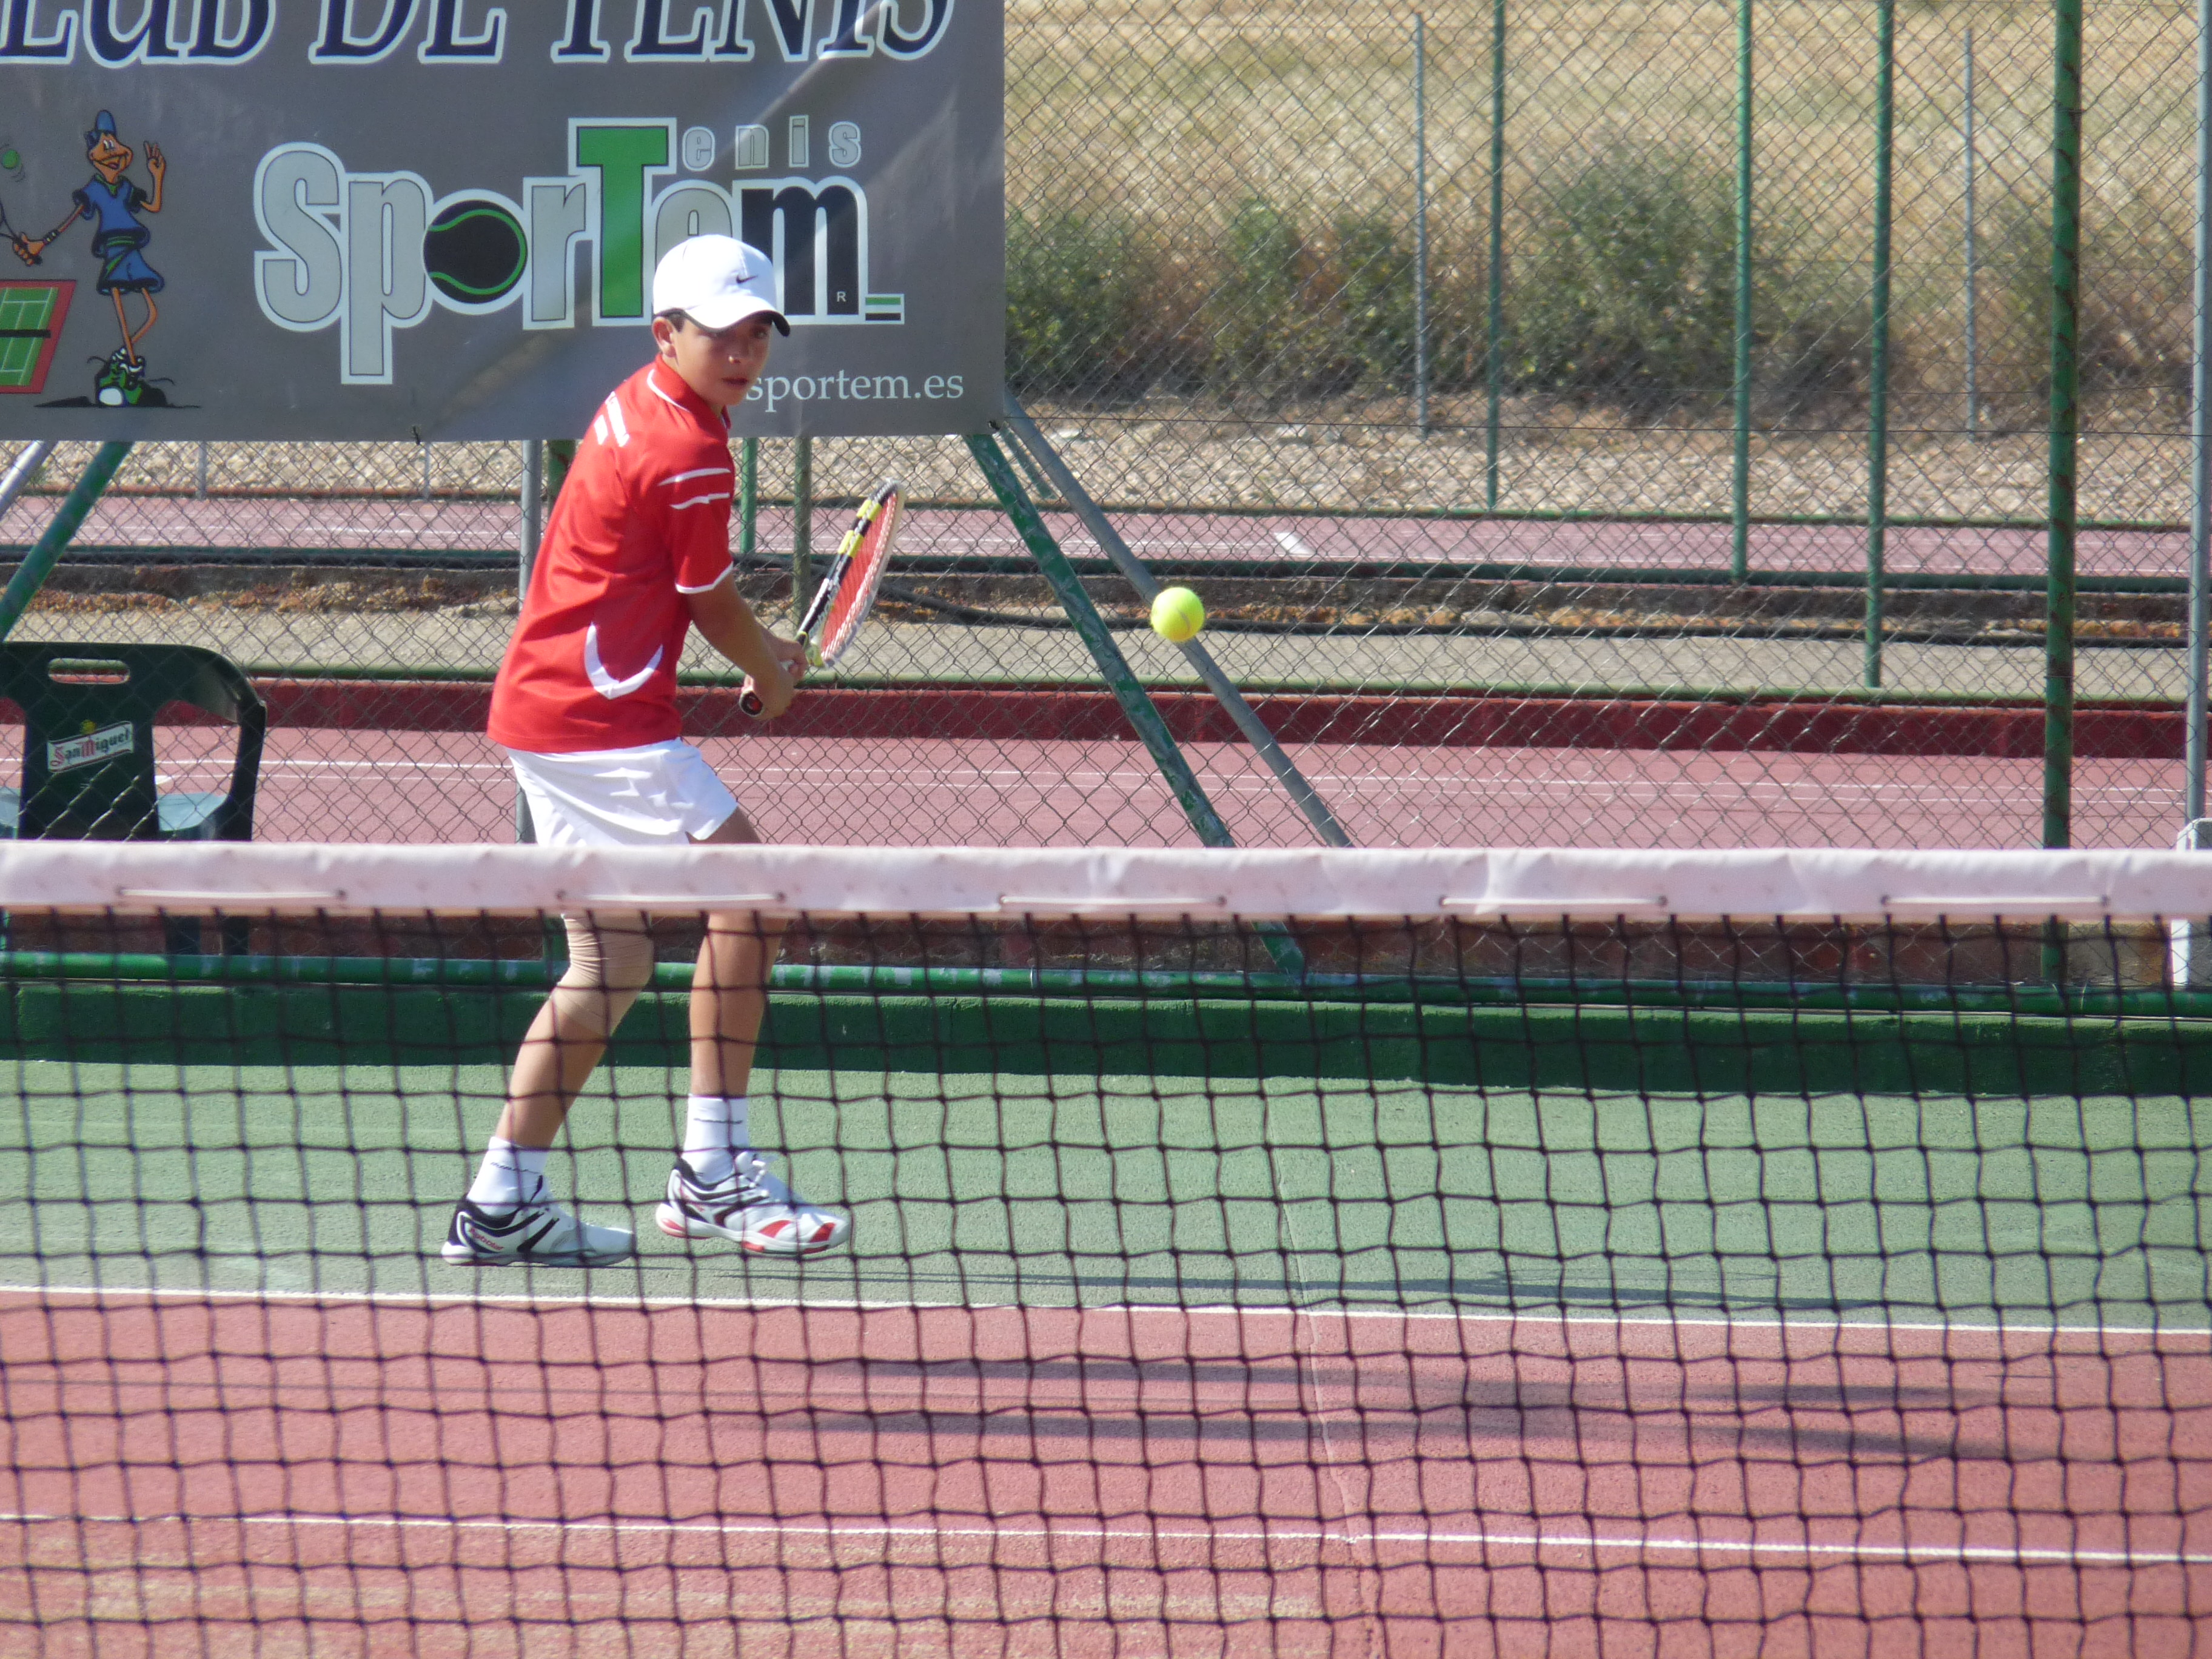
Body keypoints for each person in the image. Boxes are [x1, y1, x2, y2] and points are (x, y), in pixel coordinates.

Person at [443, 234, 848, 1269]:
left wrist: (766, 654)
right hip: (599, 724)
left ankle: (500, 1202)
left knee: (612, 962)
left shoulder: (642, 400)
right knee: (753, 903)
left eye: (758, 333)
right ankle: (712, 1172)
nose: (743, 354)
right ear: (666, 333)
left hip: (547, 709)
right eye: (721, 335)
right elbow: (709, 602)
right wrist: (771, 673)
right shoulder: (688, 451)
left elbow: (683, 591)